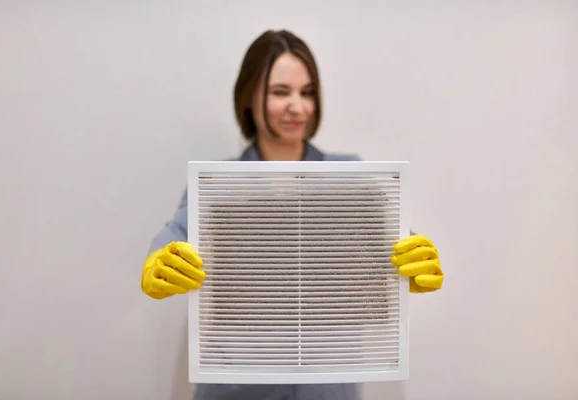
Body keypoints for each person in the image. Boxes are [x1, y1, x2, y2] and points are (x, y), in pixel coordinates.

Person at [141, 29, 444, 400]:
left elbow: (391, 245)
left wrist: (409, 266)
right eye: (280, 92)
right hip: (236, 389)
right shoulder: (217, 186)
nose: (297, 107)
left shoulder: (350, 179)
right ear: (249, 96)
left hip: (329, 389)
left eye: (308, 92)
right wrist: (161, 257)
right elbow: (177, 233)